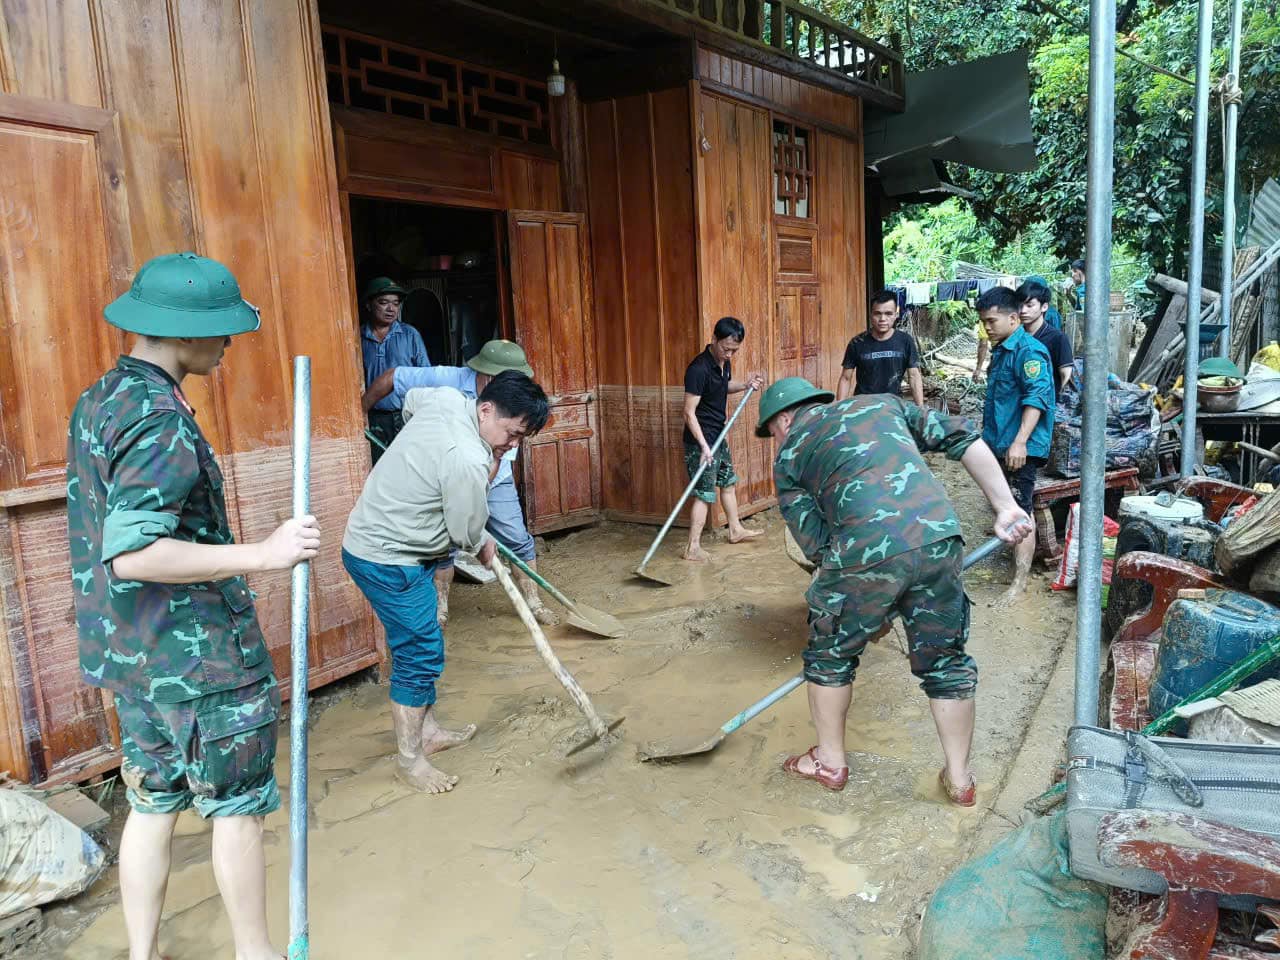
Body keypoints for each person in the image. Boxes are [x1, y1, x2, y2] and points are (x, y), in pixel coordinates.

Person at [67, 252, 321, 960]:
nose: (229, 344)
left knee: (152, 805)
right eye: (220, 331)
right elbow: (134, 554)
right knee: (236, 813)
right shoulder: (160, 422)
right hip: (199, 661)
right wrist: (264, 555)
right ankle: (257, 954)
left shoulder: (103, 398)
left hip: (133, 656)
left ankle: (142, 953)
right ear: (183, 334)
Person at [755, 377, 1030, 806]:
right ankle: (960, 779)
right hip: (939, 537)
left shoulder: (789, 455)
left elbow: (819, 549)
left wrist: (864, 609)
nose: (775, 439)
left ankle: (829, 762)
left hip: (864, 550)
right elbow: (963, 437)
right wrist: (1006, 506)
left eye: (771, 431)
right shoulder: (883, 404)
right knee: (945, 663)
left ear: (784, 419)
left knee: (829, 655)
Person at [342, 371, 549, 794]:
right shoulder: (467, 458)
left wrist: (419, 462)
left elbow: (409, 402)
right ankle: (410, 760)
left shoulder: (448, 399)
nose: (512, 446)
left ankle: (429, 732)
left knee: (423, 642)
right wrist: (482, 542)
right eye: (511, 434)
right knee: (419, 652)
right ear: (486, 409)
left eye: (521, 438)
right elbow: (465, 533)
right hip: (388, 556)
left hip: (392, 540)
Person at [361, 339, 558, 628]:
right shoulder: (447, 382)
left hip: (489, 475)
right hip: (440, 476)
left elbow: (494, 463)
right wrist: (359, 416)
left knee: (515, 537)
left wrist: (472, 506)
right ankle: (440, 608)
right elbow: (394, 380)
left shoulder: (514, 416)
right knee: (444, 544)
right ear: (490, 377)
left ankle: (534, 602)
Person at [976, 286, 1056, 604]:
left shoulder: (1029, 352)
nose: (987, 327)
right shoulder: (1001, 349)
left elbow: (1036, 399)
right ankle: (1013, 559)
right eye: (984, 322)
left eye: (992, 321)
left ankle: (1020, 583)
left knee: (1020, 510)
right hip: (999, 441)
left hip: (1019, 446)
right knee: (1006, 505)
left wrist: (1020, 442)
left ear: (1013, 318)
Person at [681, 317, 766, 562]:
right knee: (705, 493)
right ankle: (692, 547)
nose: (729, 354)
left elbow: (723, 386)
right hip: (701, 441)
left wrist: (745, 385)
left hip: (718, 434)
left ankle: (735, 529)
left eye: (734, 350)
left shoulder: (723, 363)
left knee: (727, 482)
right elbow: (688, 412)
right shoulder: (698, 369)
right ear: (714, 339)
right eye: (725, 348)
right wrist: (704, 447)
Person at [361, 276, 429, 463]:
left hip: (405, 415)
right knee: (377, 467)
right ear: (369, 305)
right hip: (372, 418)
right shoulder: (357, 338)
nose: (391, 309)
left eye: (395, 303)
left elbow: (425, 376)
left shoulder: (409, 335)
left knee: (408, 466)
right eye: (383, 303)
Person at [837, 290, 924, 406]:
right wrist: (838, 409)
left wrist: (921, 408)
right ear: (871, 314)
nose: (883, 319)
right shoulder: (857, 343)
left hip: (894, 406)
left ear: (896, 314)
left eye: (888, 313)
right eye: (878, 313)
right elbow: (845, 378)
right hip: (862, 407)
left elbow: (914, 376)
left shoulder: (905, 341)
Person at [1016, 279, 1074, 396]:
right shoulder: (1014, 337)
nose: (1023, 310)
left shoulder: (1058, 338)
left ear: (1044, 307)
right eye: (1020, 305)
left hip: (1046, 402)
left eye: (1029, 305)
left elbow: (1066, 375)